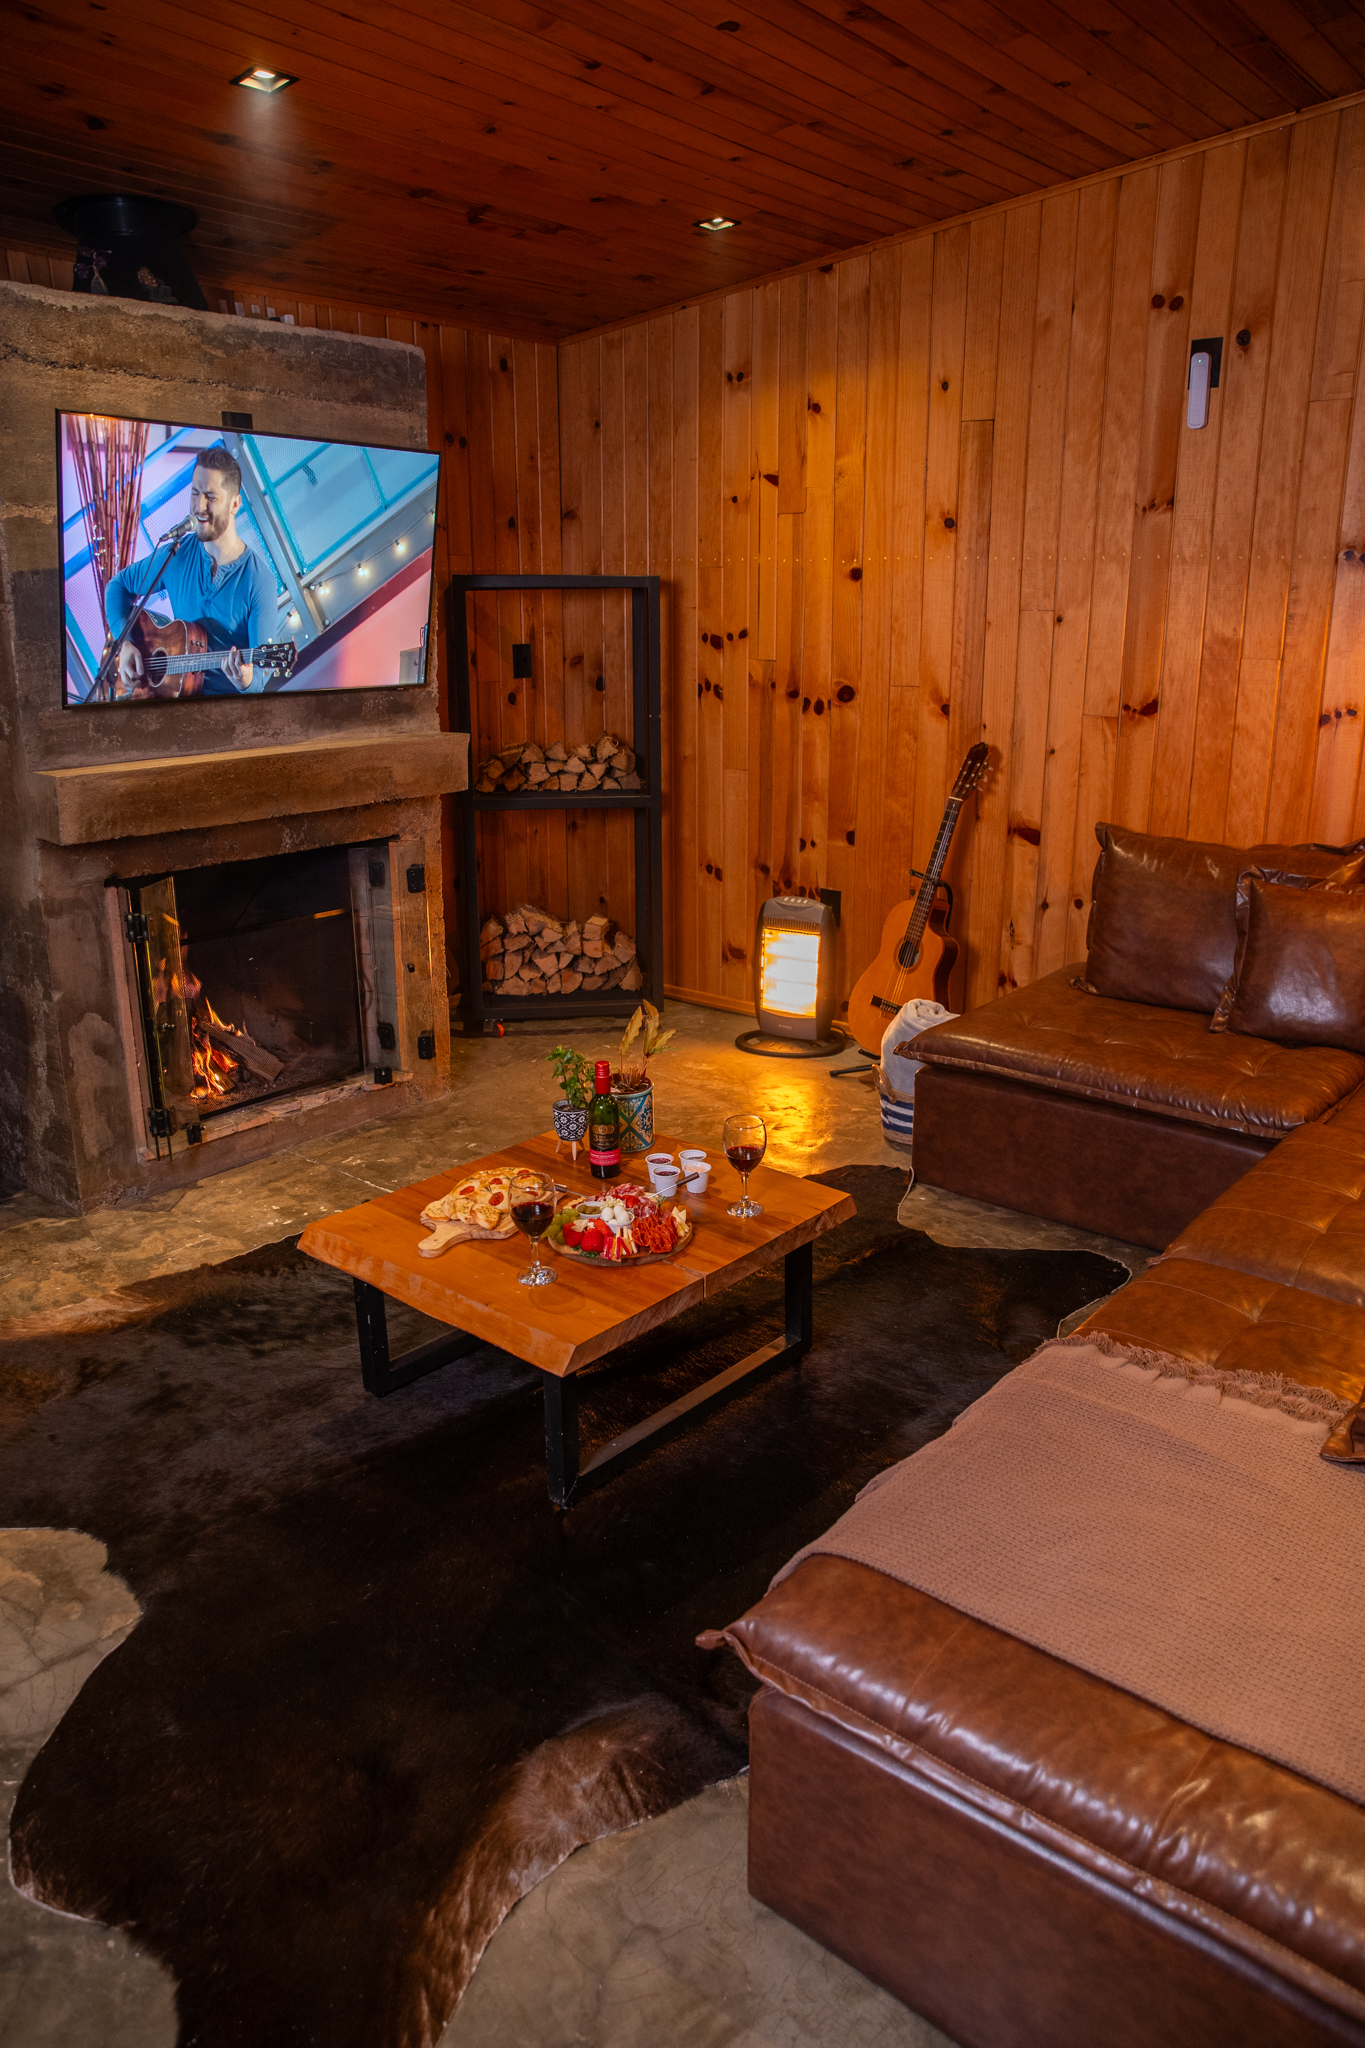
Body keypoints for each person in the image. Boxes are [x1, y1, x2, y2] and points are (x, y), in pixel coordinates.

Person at [105, 445, 276, 695]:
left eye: (211, 497)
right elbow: (117, 587)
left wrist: (246, 681)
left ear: (235, 504)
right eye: (195, 493)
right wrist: (126, 643)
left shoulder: (259, 581)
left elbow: (261, 677)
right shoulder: (177, 553)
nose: (199, 506)